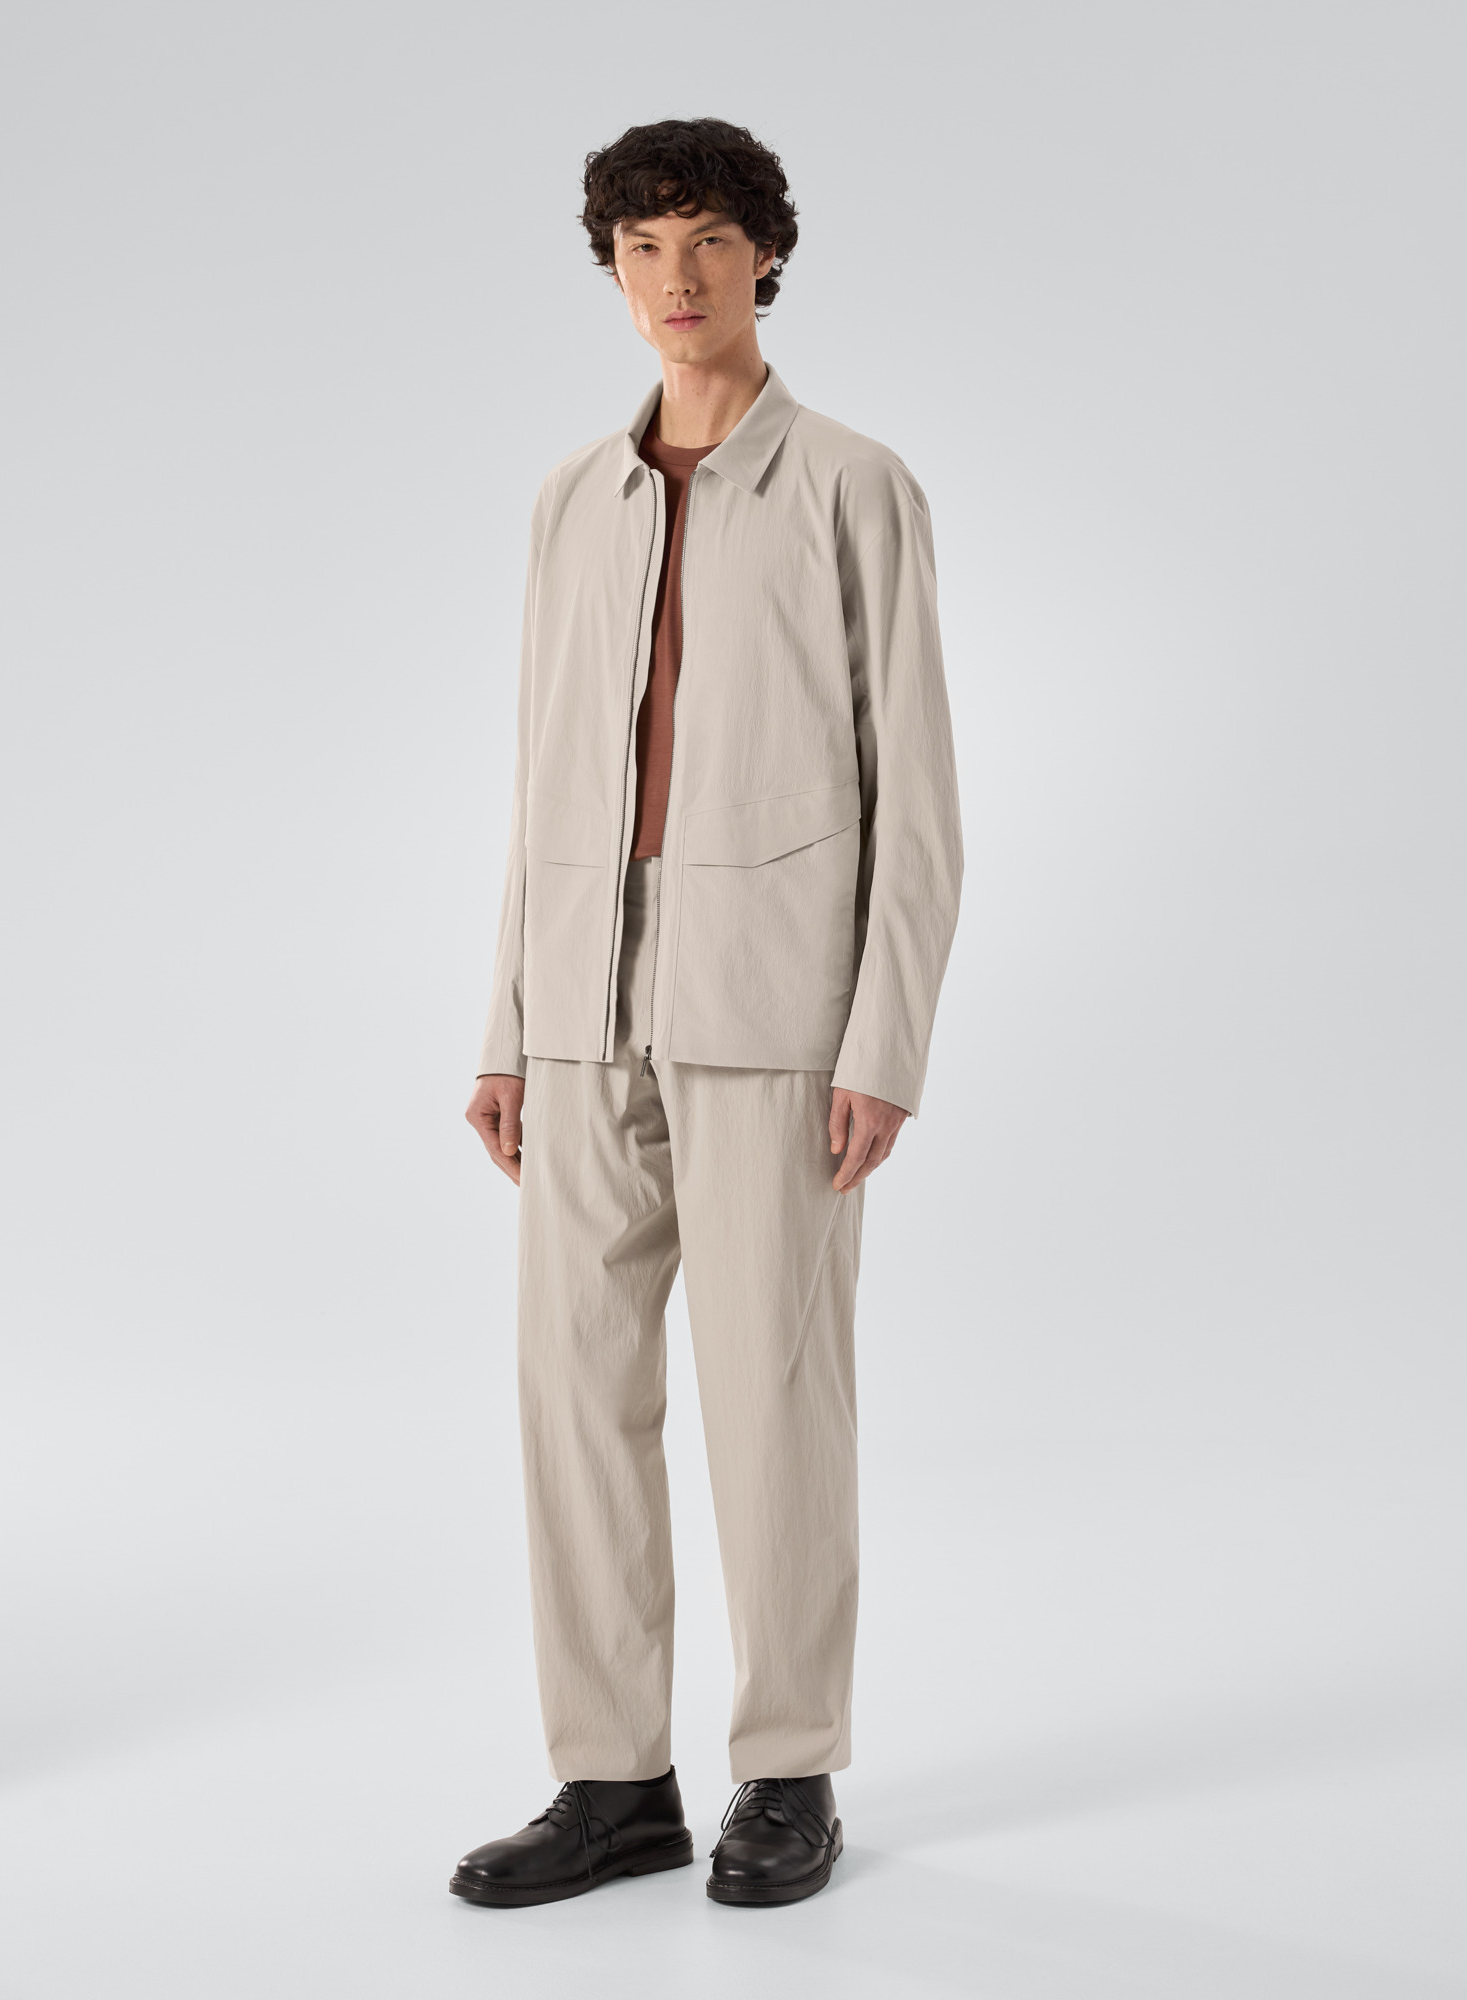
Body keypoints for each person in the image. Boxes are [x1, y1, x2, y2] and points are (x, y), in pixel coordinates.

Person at [451, 117, 962, 1910]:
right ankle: (612, 1783)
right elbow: (541, 778)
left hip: (775, 1013)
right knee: (574, 1398)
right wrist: (509, 1023)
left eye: (708, 243)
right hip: (583, 1013)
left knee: (773, 1402)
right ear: (612, 272)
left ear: (766, 258)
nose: (675, 281)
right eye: (642, 249)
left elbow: (919, 796)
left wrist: (882, 1041)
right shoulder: (569, 501)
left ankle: (788, 1770)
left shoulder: (853, 485)